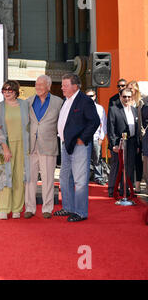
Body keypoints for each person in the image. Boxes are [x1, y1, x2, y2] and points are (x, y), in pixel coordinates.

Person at [55, 73, 99, 222]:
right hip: (66, 144)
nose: (62, 88)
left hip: (79, 146)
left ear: (75, 86)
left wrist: (82, 139)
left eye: (65, 85)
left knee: (80, 180)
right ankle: (68, 207)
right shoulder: (66, 101)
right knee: (65, 177)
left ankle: (80, 212)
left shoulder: (84, 101)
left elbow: (94, 121)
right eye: (62, 85)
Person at [24, 75, 63, 219]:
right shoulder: (28, 101)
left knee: (48, 179)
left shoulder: (58, 102)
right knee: (30, 179)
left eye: (41, 85)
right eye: (36, 84)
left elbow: (63, 122)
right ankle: (29, 208)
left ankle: (47, 208)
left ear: (48, 86)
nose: (38, 87)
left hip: (48, 144)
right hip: (31, 145)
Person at [0, 80, 30, 220]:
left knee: (19, 177)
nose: (7, 92)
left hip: (23, 145)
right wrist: (5, 148)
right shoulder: (0, 107)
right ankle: (3, 208)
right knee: (4, 176)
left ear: (16, 92)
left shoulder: (24, 105)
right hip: (6, 146)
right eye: (4, 90)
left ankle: (17, 208)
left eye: (10, 90)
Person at [107, 87, 139, 198]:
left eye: (129, 97)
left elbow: (137, 128)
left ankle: (125, 190)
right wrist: (113, 144)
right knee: (117, 166)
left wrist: (137, 144)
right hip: (119, 142)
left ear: (132, 97)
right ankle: (112, 189)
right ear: (120, 97)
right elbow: (110, 128)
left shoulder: (134, 110)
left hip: (131, 142)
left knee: (129, 166)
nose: (126, 99)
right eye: (124, 96)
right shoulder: (114, 109)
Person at [85, 89, 107, 185]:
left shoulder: (100, 108)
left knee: (97, 158)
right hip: (84, 138)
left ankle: (98, 177)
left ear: (95, 96)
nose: (90, 98)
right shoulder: (81, 107)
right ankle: (84, 177)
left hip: (96, 137)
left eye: (91, 96)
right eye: (88, 96)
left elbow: (104, 123)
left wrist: (101, 138)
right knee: (84, 159)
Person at [127, 81, 143, 193]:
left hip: (139, 136)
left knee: (138, 161)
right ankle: (129, 184)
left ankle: (137, 185)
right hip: (128, 135)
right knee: (128, 161)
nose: (130, 91)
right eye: (128, 88)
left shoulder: (140, 103)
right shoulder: (126, 100)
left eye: (132, 89)